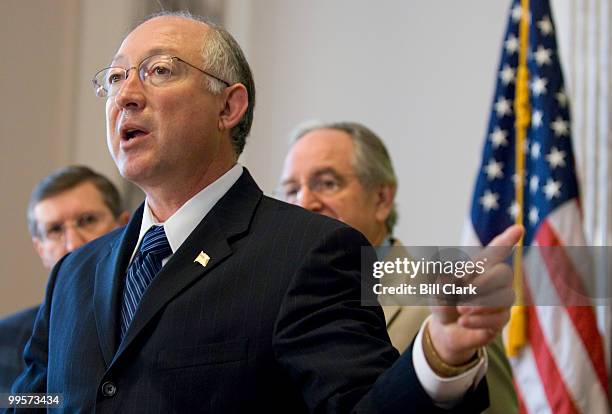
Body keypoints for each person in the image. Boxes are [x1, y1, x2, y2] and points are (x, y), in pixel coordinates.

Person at [8, 12, 522, 413]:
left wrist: (439, 357)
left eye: (158, 71)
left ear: (229, 107)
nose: (126, 95)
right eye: (115, 78)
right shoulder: (76, 274)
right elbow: (38, 399)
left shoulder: (308, 253)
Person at [280, 121, 519, 414]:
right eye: (291, 190)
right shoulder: (272, 300)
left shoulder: (449, 305)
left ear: (381, 199)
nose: (303, 202)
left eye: (327, 183)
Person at [0, 165, 128, 392]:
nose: (73, 245)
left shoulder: (150, 318)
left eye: (88, 220)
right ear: (40, 250)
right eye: (55, 230)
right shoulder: (5, 339)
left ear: (124, 226)